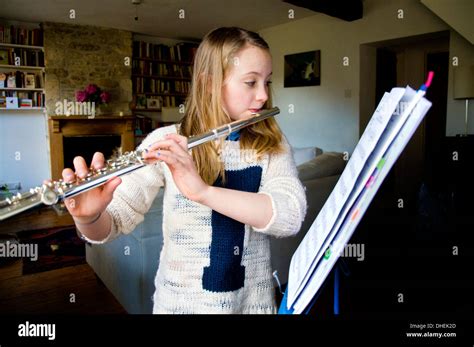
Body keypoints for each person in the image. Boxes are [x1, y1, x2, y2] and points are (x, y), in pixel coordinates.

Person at [62, 27, 307, 314]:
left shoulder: (272, 145)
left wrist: (203, 192)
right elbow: (114, 223)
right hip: (179, 305)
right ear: (209, 84)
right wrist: (89, 217)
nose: (264, 95)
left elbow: (289, 216)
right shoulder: (167, 142)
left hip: (250, 305)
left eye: (267, 81)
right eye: (251, 82)